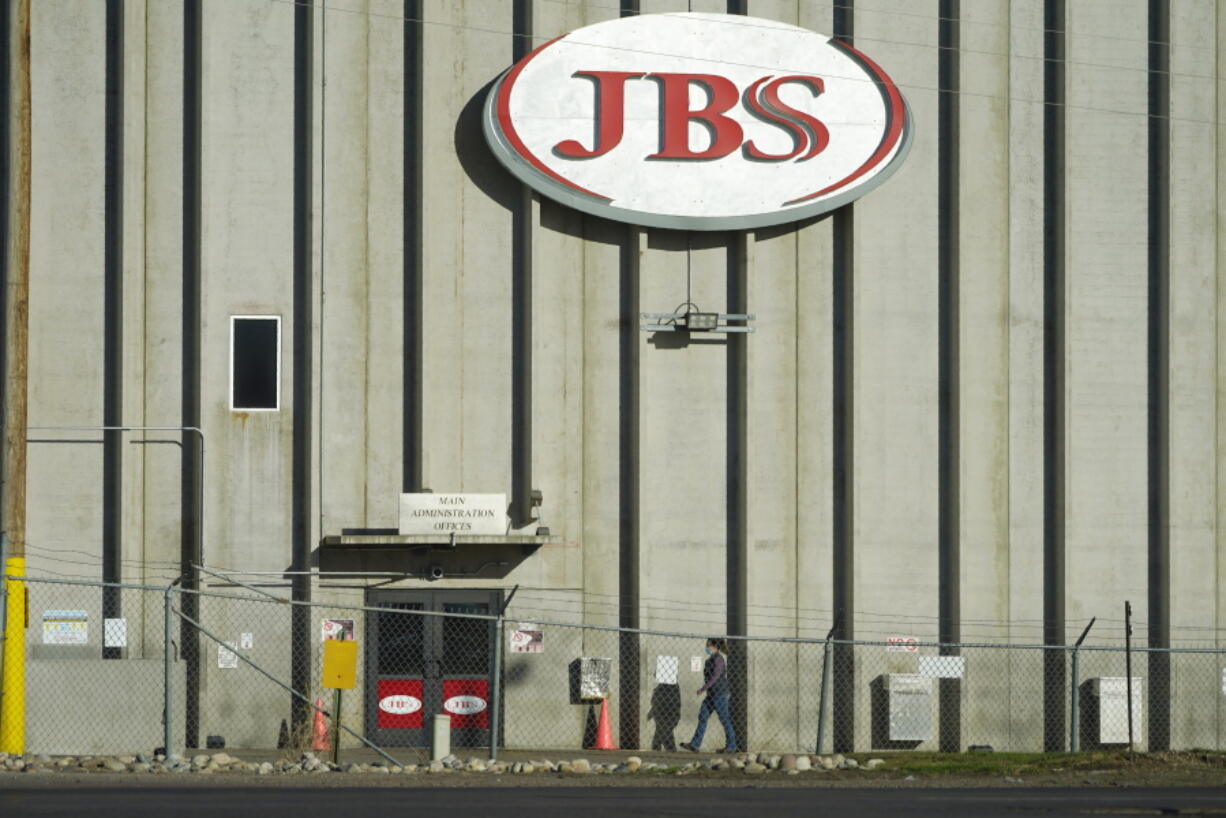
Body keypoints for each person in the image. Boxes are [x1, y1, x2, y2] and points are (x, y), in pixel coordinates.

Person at [680, 637, 737, 753]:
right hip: (712, 694)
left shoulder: (719, 659)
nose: (706, 647)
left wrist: (703, 688)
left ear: (715, 647)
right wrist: (706, 689)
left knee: (725, 720)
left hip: (720, 694)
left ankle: (731, 746)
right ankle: (695, 745)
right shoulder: (710, 660)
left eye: (708, 645)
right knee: (703, 717)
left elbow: (715, 677)